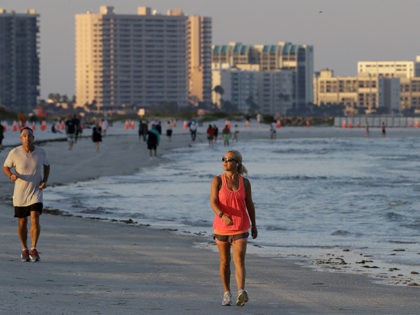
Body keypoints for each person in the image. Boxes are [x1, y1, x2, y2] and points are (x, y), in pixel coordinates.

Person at [210, 150, 257, 307]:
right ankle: (226, 292)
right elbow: (213, 202)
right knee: (224, 262)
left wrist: (254, 224)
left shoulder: (245, 183)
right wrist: (222, 215)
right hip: (221, 228)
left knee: (239, 261)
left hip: (240, 227)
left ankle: (241, 291)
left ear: (237, 163)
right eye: (223, 159)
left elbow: (249, 204)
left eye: (228, 159)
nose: (224, 161)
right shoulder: (217, 180)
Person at [3, 127, 50, 262]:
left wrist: (45, 180)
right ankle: (24, 249)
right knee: (22, 221)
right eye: (24, 136)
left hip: (36, 191)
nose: (27, 138)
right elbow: (5, 167)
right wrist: (11, 175)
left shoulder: (41, 152)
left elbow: (47, 165)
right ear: (20, 138)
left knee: (35, 217)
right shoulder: (14, 152)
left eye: (29, 136)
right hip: (20, 193)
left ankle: (33, 248)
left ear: (33, 138)